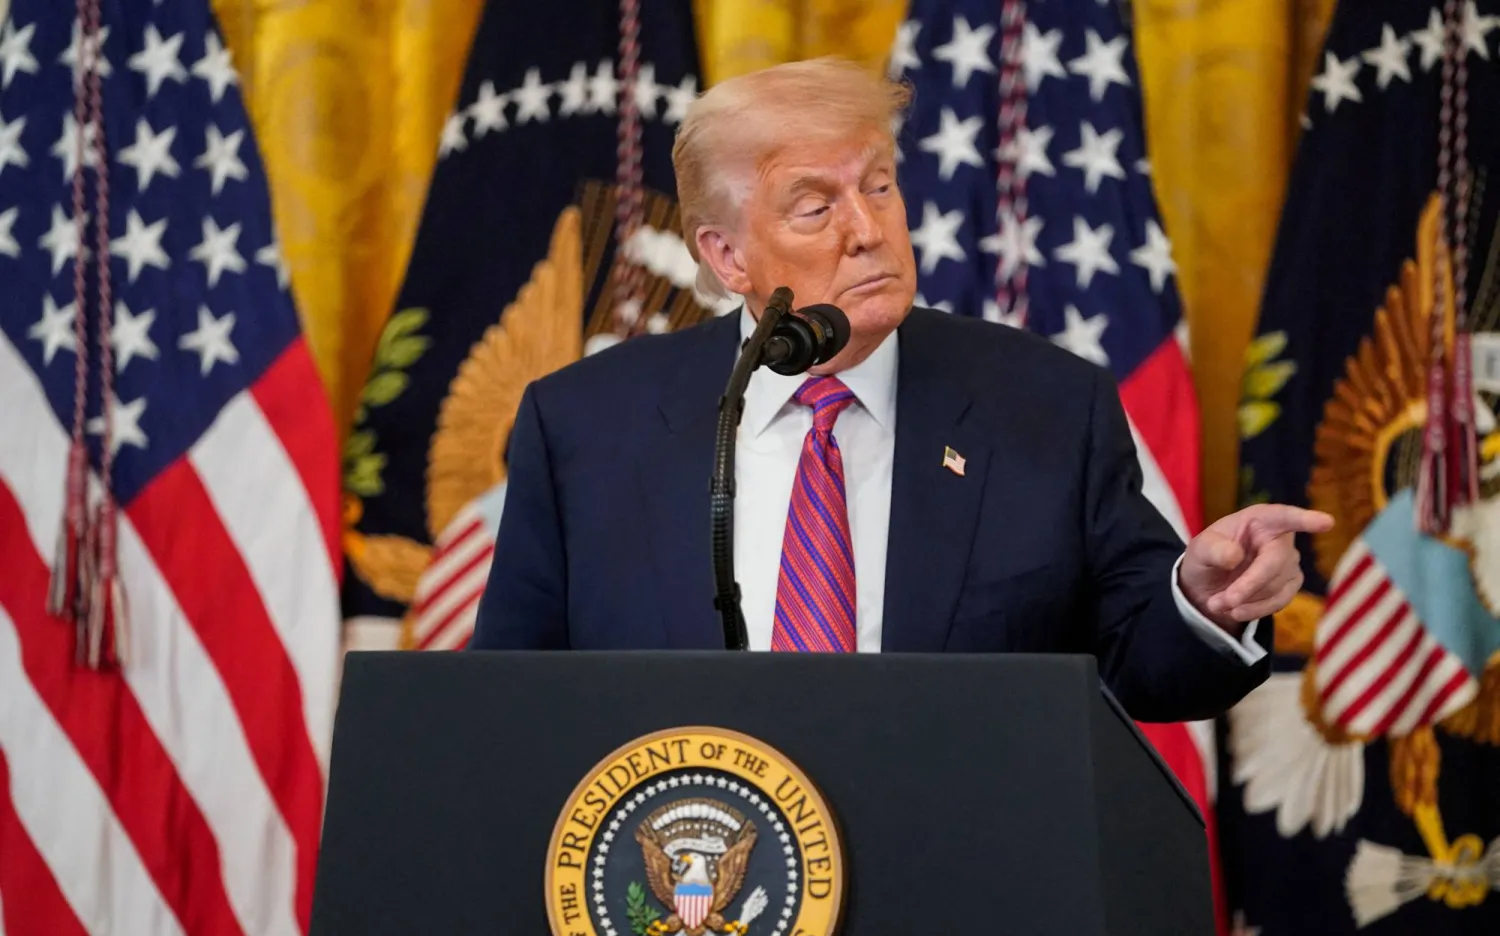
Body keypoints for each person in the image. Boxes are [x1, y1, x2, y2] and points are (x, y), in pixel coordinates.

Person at [468, 58, 1331, 722]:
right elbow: (513, 705)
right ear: (727, 256)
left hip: (958, 896)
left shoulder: (1046, 406)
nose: (869, 229)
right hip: (692, 906)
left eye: (878, 186)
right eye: (814, 207)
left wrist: (1203, 601)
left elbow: (1145, 666)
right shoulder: (587, 424)